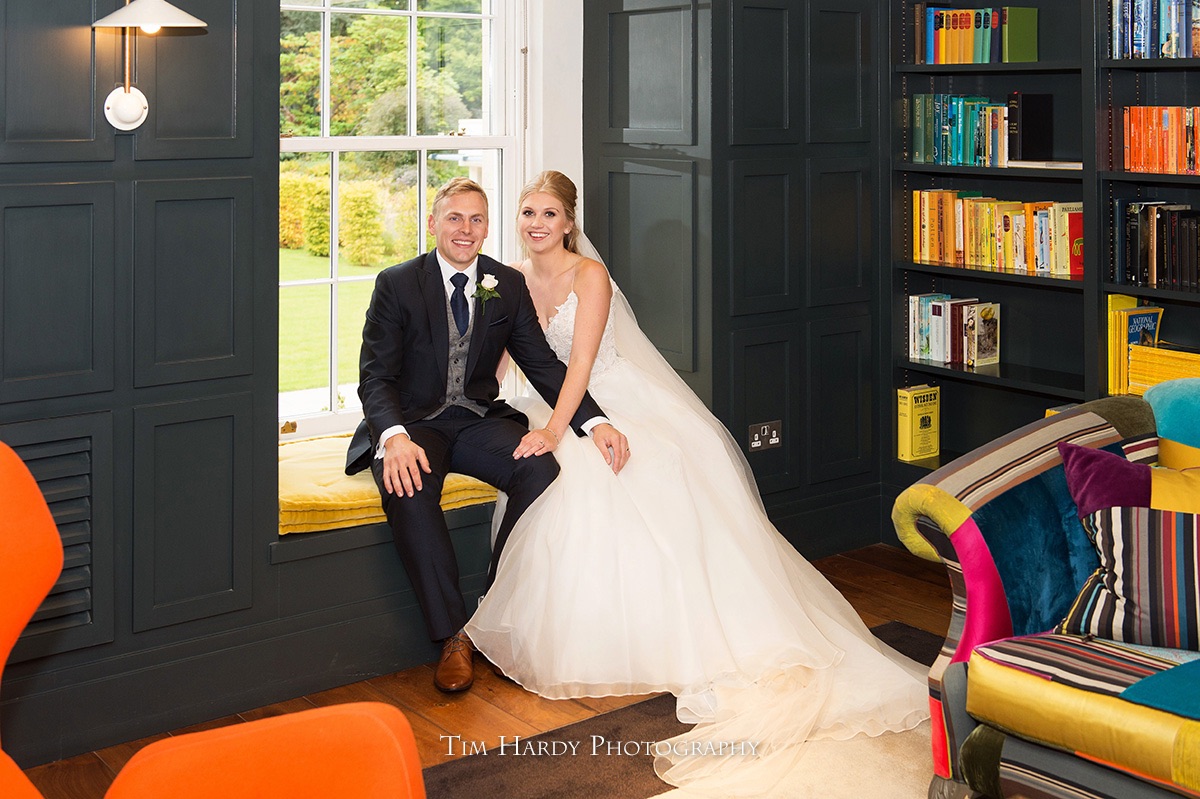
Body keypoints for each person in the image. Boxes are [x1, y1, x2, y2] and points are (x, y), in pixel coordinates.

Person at [465, 171, 929, 794]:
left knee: (603, 474)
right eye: (527, 212)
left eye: (549, 213)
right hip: (545, 401)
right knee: (541, 473)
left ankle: (676, 634)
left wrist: (557, 430)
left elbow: (580, 366)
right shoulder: (507, 278)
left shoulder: (590, 277)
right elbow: (494, 357)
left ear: (570, 222)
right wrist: (474, 407)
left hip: (604, 400)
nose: (537, 223)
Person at [345, 177, 629, 695]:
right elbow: (375, 376)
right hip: (415, 425)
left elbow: (542, 363)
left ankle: (491, 609)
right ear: (433, 223)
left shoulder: (505, 283)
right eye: (454, 218)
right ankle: (454, 635)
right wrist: (392, 437)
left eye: (477, 219)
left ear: (487, 228)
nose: (465, 229)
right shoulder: (397, 283)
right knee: (406, 482)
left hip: (476, 420)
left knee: (539, 467)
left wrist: (594, 421)